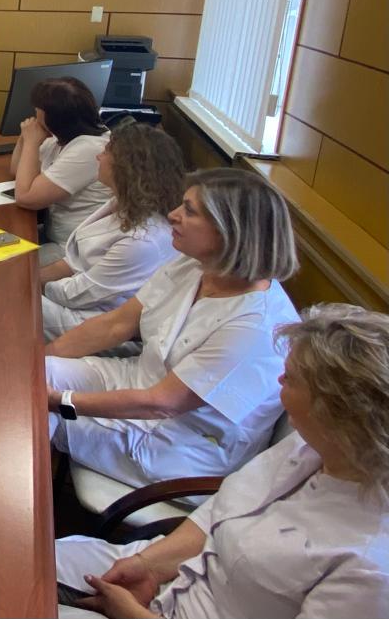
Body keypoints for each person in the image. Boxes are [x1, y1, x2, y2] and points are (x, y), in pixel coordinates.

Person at [54, 304, 389, 619]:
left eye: (291, 378)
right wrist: (149, 565)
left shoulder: (370, 568)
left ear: (335, 413)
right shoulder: (310, 445)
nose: (279, 381)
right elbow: (220, 511)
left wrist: (133, 614)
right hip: (170, 572)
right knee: (25, 561)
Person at [45, 168, 300, 488]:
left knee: (29, 408)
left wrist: (61, 400)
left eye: (189, 211)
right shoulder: (193, 265)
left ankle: (20, 511)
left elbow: (162, 403)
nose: (172, 215)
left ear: (229, 230)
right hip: (140, 382)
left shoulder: (256, 327)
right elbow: (116, 324)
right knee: (35, 375)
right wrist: (39, 359)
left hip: (182, 442)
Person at [40, 123, 185, 340]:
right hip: (82, 297)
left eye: (106, 152)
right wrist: (29, 280)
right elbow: (75, 260)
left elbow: (75, 295)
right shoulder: (123, 203)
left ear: (126, 167)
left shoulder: (143, 240)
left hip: (95, 322)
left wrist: (30, 286)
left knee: (5, 302)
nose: (98, 157)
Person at [10, 77, 112, 264]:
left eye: (39, 110)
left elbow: (25, 197)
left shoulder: (89, 149)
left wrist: (31, 142)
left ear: (56, 120)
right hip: (52, 234)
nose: (35, 114)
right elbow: (17, 171)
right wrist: (25, 137)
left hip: (73, 249)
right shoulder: (62, 137)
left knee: (7, 267)